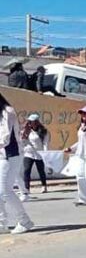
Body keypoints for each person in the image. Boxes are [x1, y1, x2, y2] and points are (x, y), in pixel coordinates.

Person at [0, 91, 34, 234]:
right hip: (3, 155)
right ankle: (2, 223)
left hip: (10, 154)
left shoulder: (8, 112)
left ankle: (25, 221)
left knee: (5, 190)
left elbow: (6, 137)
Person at [21, 113, 49, 196]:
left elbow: (45, 143)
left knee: (41, 170)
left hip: (39, 154)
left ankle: (44, 186)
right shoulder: (26, 131)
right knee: (27, 170)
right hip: (28, 153)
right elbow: (22, 141)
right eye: (29, 121)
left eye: (32, 121)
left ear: (36, 122)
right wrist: (24, 134)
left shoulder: (43, 131)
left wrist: (45, 153)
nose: (30, 123)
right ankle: (27, 188)